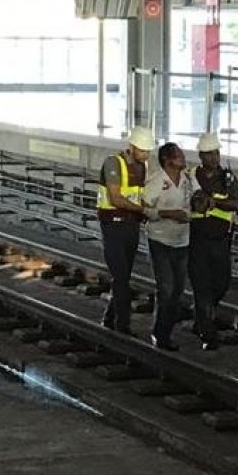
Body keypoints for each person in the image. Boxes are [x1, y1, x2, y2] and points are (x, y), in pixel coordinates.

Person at [188, 132, 238, 351]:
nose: (214, 158)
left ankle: (203, 316)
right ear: (201, 155)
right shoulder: (190, 176)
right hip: (196, 238)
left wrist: (213, 203)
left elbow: (236, 203)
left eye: (217, 153)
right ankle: (207, 333)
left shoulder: (228, 178)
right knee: (201, 286)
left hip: (220, 239)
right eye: (210, 154)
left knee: (221, 283)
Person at [97, 127, 153, 335]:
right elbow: (115, 198)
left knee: (123, 276)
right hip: (113, 226)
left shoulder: (142, 167)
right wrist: (144, 209)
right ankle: (123, 326)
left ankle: (109, 318)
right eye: (143, 150)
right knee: (121, 278)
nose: (146, 155)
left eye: (148, 151)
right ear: (132, 147)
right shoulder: (113, 163)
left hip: (131, 226)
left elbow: (139, 195)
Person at [143, 142, 195, 351]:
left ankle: (166, 328)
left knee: (177, 290)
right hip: (160, 241)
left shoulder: (187, 180)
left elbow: (195, 199)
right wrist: (167, 214)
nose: (183, 158)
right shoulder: (156, 182)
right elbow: (145, 209)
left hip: (182, 240)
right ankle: (160, 334)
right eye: (179, 155)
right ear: (168, 160)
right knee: (166, 288)